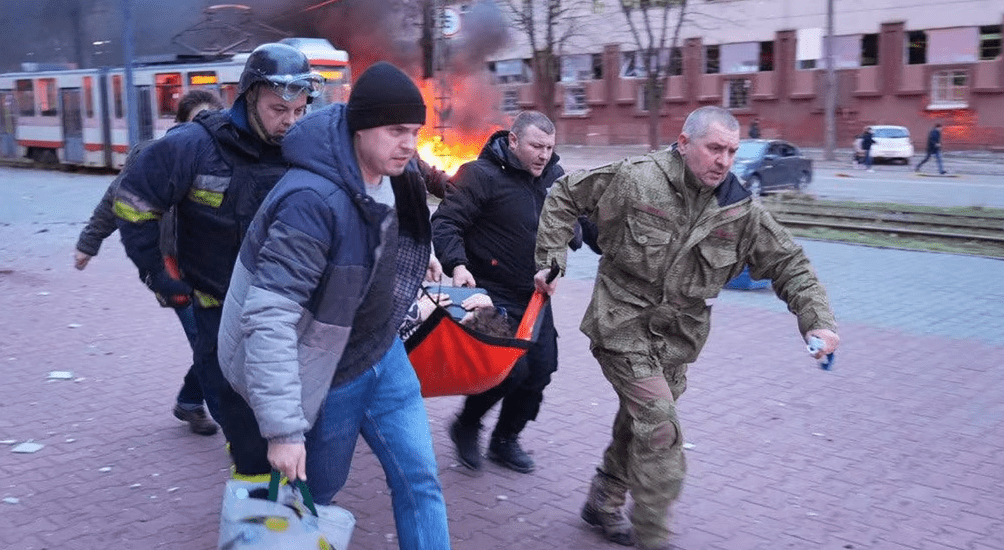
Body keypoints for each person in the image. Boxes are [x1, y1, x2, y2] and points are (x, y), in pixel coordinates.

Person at [531, 105, 840, 550]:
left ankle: (603, 501)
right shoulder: (638, 179)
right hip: (622, 321)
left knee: (640, 421)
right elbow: (564, 195)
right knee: (660, 426)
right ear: (683, 143)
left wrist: (819, 323)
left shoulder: (740, 211)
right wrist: (551, 259)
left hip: (679, 340)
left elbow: (789, 264)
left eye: (732, 151)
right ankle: (652, 536)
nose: (724, 160)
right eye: (715, 148)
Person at [216, 61, 450, 549]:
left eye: (414, 131)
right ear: (359, 127)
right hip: (330, 371)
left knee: (421, 482)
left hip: (384, 353)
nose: (409, 143)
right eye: (395, 131)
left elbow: (388, 230)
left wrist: (419, 258)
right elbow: (269, 316)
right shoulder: (311, 201)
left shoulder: (397, 171)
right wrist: (282, 431)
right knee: (312, 495)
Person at [114, 43, 321, 475]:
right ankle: (253, 504)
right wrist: (156, 272)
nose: (290, 122)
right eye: (278, 109)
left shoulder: (306, 150)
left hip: (287, 320)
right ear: (248, 96)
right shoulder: (192, 147)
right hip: (218, 316)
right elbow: (133, 203)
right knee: (245, 435)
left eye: (299, 111)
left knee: (294, 426)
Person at [75, 88, 224, 436]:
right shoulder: (156, 155)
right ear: (181, 123)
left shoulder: (225, 156)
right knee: (211, 347)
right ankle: (238, 439)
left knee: (215, 344)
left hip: (215, 269)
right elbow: (116, 199)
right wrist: (88, 243)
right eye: (197, 119)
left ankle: (189, 401)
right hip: (173, 270)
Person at [431, 110, 563, 474]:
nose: (543, 155)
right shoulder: (479, 176)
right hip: (490, 293)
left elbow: (575, 222)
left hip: (536, 296)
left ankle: (506, 440)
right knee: (509, 370)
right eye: (536, 146)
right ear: (513, 141)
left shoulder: (555, 179)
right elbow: (445, 223)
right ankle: (467, 424)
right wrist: (457, 265)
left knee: (540, 371)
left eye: (550, 148)